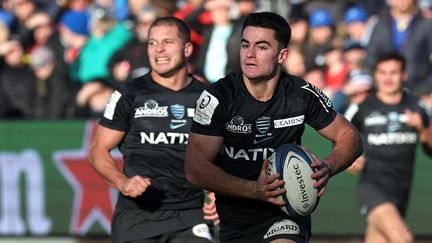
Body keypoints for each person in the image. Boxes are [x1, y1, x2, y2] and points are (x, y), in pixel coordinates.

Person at [184, 12, 363, 242]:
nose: (249, 54)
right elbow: (195, 168)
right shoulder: (219, 97)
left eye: (261, 47)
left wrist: (328, 167)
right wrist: (253, 190)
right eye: (245, 45)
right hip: (235, 221)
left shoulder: (301, 94)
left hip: (285, 215)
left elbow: (351, 136)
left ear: (282, 55)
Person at [89, 16, 217, 243]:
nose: (159, 50)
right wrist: (123, 183)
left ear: (187, 48)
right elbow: (98, 151)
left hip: (191, 215)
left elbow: (228, 155)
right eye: (152, 43)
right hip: (138, 217)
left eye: (167, 42)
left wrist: (222, 195)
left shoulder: (209, 99)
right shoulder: (129, 94)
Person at [346, 52, 432, 243]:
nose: (388, 78)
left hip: (401, 192)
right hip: (372, 189)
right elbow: (343, 141)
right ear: (376, 75)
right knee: (403, 238)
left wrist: (422, 129)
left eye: (393, 72)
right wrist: (350, 161)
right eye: (383, 72)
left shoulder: (417, 106)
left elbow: (430, 147)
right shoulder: (362, 108)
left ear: (404, 75)